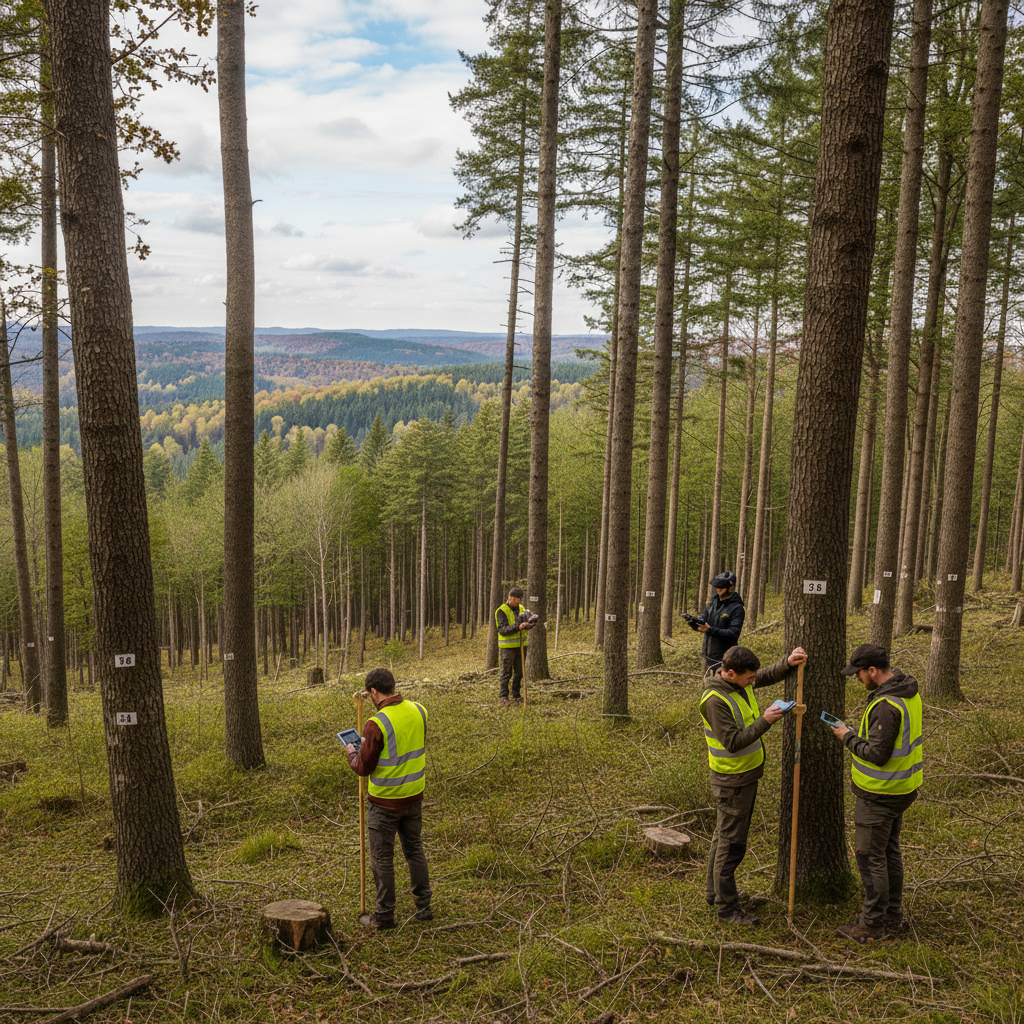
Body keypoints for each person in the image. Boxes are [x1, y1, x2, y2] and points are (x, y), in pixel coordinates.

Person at [700, 643, 808, 925]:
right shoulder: (714, 700)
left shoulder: (737, 683)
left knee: (722, 836)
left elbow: (764, 676)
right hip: (731, 780)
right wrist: (766, 720)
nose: (753, 681)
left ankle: (716, 892)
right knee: (731, 843)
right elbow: (733, 742)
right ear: (732, 673)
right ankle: (726, 906)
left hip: (744, 776)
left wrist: (787, 663)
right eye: (749, 677)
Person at [828, 643, 923, 944]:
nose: (857, 680)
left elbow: (879, 754)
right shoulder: (907, 692)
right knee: (889, 852)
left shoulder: (886, 705)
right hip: (902, 788)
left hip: (880, 794)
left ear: (872, 671)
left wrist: (848, 737)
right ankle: (893, 916)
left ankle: (873, 924)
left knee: (871, 859)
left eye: (858, 674)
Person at [345, 667, 432, 930]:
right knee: (414, 850)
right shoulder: (419, 710)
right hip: (414, 797)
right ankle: (424, 907)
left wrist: (352, 752)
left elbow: (363, 767)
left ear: (373, 691)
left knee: (382, 858)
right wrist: (370, 744)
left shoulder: (376, 723)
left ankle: (383, 916)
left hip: (384, 803)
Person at [696, 571, 745, 673]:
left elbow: (733, 633)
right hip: (707, 654)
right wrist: (695, 623)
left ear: (730, 588)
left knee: (720, 686)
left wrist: (710, 629)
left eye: (721, 588)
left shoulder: (737, 608)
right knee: (706, 686)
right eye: (717, 587)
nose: (718, 589)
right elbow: (704, 619)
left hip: (724, 657)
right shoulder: (713, 602)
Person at [495, 586, 535, 704]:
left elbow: (526, 621)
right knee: (506, 672)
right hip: (507, 647)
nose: (518, 601)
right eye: (516, 599)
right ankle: (503, 697)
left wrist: (530, 624)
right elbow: (502, 630)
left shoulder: (522, 608)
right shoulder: (501, 610)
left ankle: (516, 695)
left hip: (521, 645)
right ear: (510, 597)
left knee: (520, 672)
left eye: (520, 599)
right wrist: (517, 627)